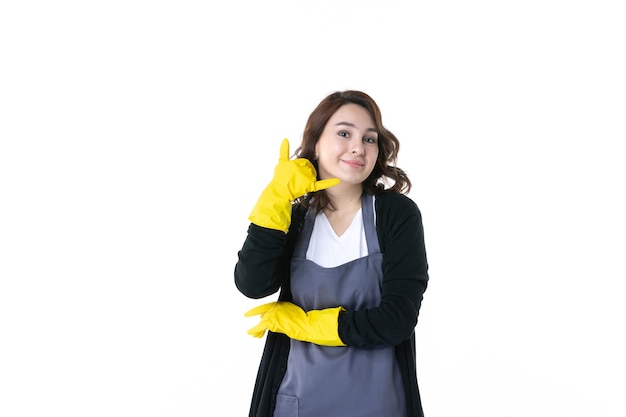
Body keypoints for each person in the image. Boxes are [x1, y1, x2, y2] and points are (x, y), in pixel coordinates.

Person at [234, 90, 429, 417]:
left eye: (370, 139)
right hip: (296, 404)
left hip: (379, 405)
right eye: (344, 133)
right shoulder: (294, 219)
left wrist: (308, 326)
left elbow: (398, 320)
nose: (358, 147)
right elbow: (253, 284)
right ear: (315, 143)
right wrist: (275, 199)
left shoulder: (396, 214)